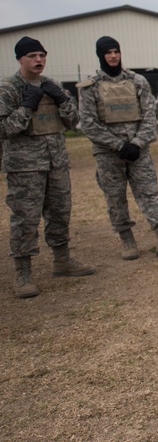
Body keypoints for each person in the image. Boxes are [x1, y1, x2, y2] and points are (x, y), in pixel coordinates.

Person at [77, 36, 158, 260]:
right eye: (108, 52)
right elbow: (88, 123)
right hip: (109, 154)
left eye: (116, 51)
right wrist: (118, 145)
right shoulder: (91, 87)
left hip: (139, 151)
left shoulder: (138, 81)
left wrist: (137, 143)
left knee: (150, 194)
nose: (113, 56)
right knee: (115, 198)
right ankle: (127, 240)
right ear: (101, 55)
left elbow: (149, 116)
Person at [1, 36, 95, 298]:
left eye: (42, 55)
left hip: (56, 163)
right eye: (32, 56)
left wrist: (63, 101)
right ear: (20, 58)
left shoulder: (51, 86)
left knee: (60, 212)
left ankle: (62, 260)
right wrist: (26, 107)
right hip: (25, 167)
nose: (38, 60)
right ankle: (23, 274)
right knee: (25, 218)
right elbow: (4, 129)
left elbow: (73, 122)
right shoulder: (8, 88)